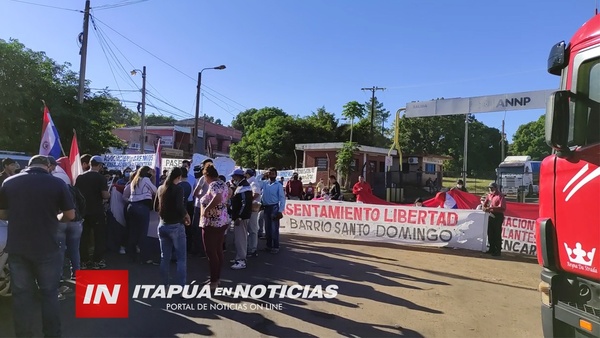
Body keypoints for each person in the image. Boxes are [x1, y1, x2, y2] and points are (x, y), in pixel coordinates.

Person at [0, 155, 75, 337]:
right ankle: (52, 334)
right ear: (48, 166)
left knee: (22, 295)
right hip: (47, 245)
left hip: (18, 247)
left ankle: (24, 334)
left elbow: (2, 214)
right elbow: (70, 215)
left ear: (29, 165)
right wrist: (55, 218)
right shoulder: (57, 183)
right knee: (49, 293)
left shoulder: (9, 182)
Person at [156, 167, 190, 286]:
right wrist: (186, 216)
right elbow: (179, 206)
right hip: (176, 225)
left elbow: (156, 206)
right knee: (181, 259)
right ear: (178, 177)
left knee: (164, 258)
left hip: (162, 224)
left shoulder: (160, 188)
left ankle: (164, 286)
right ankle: (182, 288)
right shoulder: (178, 189)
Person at [75, 155, 110, 269]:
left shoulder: (80, 177)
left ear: (89, 163)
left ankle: (84, 261)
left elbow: (76, 193)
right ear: (99, 166)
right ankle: (97, 261)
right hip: (97, 211)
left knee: (83, 237)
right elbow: (105, 195)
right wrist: (108, 194)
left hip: (83, 211)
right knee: (99, 236)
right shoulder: (101, 178)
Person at [199, 164, 229, 289]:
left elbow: (218, 197)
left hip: (212, 222)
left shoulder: (213, 185)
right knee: (218, 251)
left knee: (211, 252)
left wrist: (207, 209)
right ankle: (216, 278)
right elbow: (228, 195)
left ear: (207, 175)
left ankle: (213, 281)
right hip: (222, 220)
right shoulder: (223, 183)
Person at [123, 166, 157, 264]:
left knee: (133, 232)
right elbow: (154, 190)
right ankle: (145, 258)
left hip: (131, 206)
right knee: (143, 233)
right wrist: (153, 178)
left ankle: (131, 255)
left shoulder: (134, 180)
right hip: (142, 207)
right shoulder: (146, 179)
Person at [229, 169, 252, 270]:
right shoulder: (242, 186)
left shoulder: (244, 187)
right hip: (240, 217)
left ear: (238, 177)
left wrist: (239, 216)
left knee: (240, 238)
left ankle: (241, 260)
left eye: (233, 177)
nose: (232, 179)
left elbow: (244, 204)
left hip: (241, 218)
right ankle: (239, 257)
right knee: (240, 238)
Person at [261, 168, 286, 254]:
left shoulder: (278, 185)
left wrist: (280, 211)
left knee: (274, 228)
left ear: (276, 175)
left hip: (274, 207)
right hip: (266, 207)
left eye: (273, 173)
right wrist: (263, 174)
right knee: (267, 228)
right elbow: (256, 183)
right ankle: (268, 245)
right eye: (270, 173)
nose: (271, 175)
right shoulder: (265, 183)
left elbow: (282, 198)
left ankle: (275, 246)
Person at [483, 182, 506, 257]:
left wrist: (490, 208)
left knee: (497, 233)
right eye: (489, 188)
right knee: (490, 232)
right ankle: (491, 248)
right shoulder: (489, 195)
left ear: (496, 188)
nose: (490, 189)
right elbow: (485, 204)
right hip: (490, 215)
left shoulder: (500, 196)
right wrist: (484, 207)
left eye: (492, 188)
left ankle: (498, 250)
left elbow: (502, 207)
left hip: (498, 216)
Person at [244, 169, 261, 257]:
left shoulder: (253, 182)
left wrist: (247, 201)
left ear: (248, 174)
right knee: (250, 228)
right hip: (250, 208)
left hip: (252, 208)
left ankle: (252, 249)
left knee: (252, 228)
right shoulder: (250, 182)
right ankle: (250, 247)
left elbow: (256, 194)